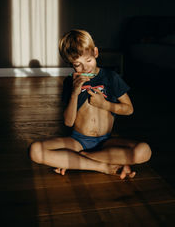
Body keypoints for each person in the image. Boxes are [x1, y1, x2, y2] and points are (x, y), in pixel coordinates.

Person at [29, 29, 152, 179]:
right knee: (35, 150)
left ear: (95, 52)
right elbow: (68, 122)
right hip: (78, 141)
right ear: (70, 64)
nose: (85, 68)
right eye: (77, 64)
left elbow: (129, 109)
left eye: (88, 61)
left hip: (106, 142)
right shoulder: (70, 82)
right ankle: (101, 166)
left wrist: (105, 104)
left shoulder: (110, 77)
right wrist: (74, 92)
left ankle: (77, 159)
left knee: (144, 150)